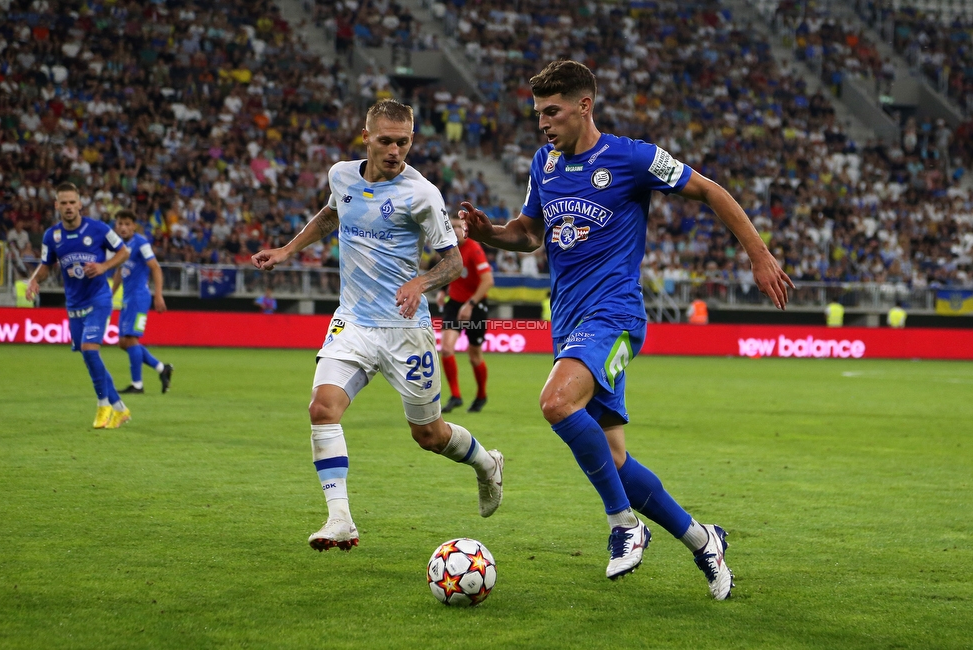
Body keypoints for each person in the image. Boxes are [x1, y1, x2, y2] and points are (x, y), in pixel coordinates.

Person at [460, 60, 794, 598]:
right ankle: (703, 540)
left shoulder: (632, 157)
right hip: (568, 323)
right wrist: (488, 233)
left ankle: (623, 524)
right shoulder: (544, 163)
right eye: (538, 113)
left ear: (584, 105)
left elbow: (709, 190)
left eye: (553, 111)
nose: (543, 123)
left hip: (614, 317)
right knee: (613, 458)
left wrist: (758, 255)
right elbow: (528, 234)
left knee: (555, 403)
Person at [252, 99, 504, 552]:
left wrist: (420, 282)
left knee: (429, 435)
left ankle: (487, 463)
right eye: (385, 140)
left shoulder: (422, 193)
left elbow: (453, 263)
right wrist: (289, 250)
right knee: (321, 409)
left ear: (412, 140)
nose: (394, 150)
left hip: (405, 331)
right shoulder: (341, 175)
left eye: (403, 142)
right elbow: (332, 213)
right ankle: (340, 519)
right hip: (353, 322)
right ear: (365, 136)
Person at [26, 182, 133, 429]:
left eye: (72, 202)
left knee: (88, 347)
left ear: (80, 204)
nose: (68, 207)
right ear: (56, 205)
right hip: (74, 304)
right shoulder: (51, 236)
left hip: (99, 299)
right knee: (88, 355)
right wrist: (33, 282)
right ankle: (120, 409)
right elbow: (45, 266)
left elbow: (124, 252)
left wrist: (105, 267)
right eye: (63, 203)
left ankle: (103, 404)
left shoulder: (98, 229)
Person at [436, 214, 494, 413]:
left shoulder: (474, 249)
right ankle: (455, 396)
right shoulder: (449, 251)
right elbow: (449, 273)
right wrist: (443, 291)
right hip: (454, 304)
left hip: (475, 306)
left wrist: (470, 304)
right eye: (451, 228)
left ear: (465, 230)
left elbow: (488, 281)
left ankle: (481, 395)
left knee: (474, 355)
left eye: (457, 228)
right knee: (446, 348)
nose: (454, 231)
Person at [112, 210, 174, 394]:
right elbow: (118, 271)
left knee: (131, 339)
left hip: (139, 297)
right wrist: (110, 293)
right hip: (127, 298)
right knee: (123, 342)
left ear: (134, 226)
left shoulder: (141, 243)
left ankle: (137, 385)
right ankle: (162, 368)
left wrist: (159, 295)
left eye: (127, 224)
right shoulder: (120, 246)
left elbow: (155, 267)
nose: (123, 227)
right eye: (120, 223)